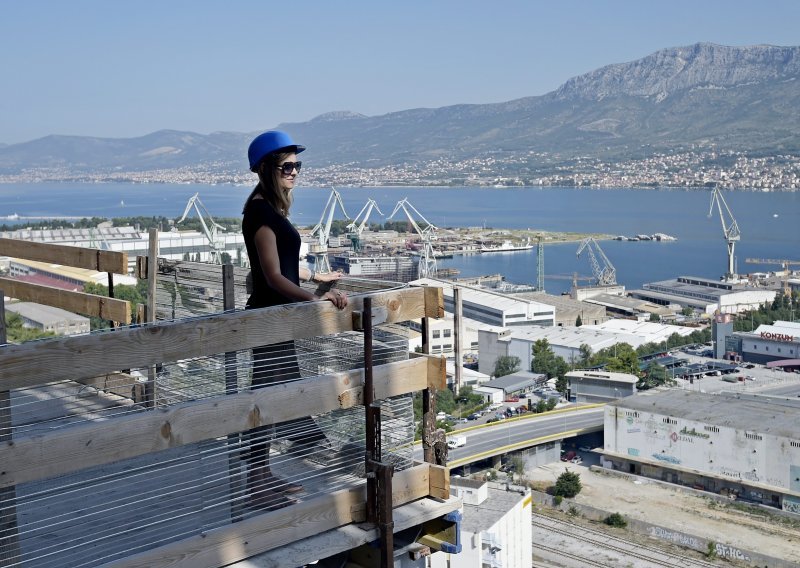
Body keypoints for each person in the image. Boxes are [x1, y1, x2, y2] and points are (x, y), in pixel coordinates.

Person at [241, 130, 348, 510]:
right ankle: (255, 482)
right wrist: (319, 300)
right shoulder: (261, 213)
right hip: (271, 318)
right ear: (267, 169)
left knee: (275, 397)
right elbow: (271, 276)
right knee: (267, 400)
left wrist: (313, 278)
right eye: (287, 166)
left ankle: (262, 474)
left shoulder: (267, 209)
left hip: (277, 317)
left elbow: (282, 267)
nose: (295, 172)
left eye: (297, 166)